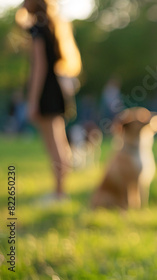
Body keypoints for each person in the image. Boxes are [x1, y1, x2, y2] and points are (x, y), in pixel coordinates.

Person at [16, 0, 82, 200]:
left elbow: (39, 68)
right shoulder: (52, 25)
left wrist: (33, 101)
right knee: (59, 144)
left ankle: (59, 193)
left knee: (54, 145)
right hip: (55, 90)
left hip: (46, 93)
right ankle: (60, 191)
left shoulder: (38, 29)